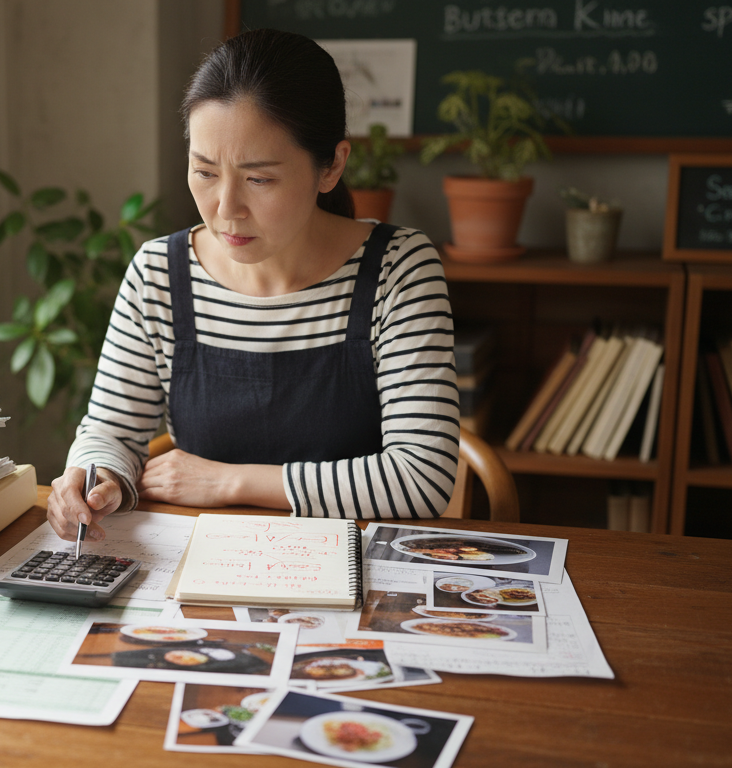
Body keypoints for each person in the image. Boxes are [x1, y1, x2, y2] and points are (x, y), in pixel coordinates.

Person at [47, 28, 457, 542]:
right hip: (199, 567)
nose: (225, 209)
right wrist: (92, 477)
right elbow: (111, 432)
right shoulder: (159, 273)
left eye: (259, 179)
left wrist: (229, 482)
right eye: (204, 171)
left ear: (331, 165)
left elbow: (421, 477)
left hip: (356, 566)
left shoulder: (398, 268)